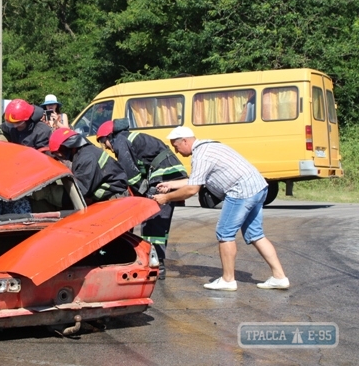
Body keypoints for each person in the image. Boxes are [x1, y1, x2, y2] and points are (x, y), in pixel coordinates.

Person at [153, 126, 289, 291]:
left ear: (185, 141)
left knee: (225, 233)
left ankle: (228, 280)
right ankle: (279, 277)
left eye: (176, 146)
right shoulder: (211, 146)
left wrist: (165, 198)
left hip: (241, 191)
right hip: (258, 187)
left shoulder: (201, 156)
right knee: (255, 234)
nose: (177, 151)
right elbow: (197, 180)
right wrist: (170, 184)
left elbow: (192, 189)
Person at [96, 119, 188, 279]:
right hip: (171, 174)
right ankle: (156, 263)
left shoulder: (120, 141)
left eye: (105, 143)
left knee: (153, 223)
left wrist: (142, 194)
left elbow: (131, 173)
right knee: (158, 223)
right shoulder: (129, 138)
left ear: (109, 137)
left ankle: (157, 265)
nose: (107, 148)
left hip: (164, 176)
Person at [49, 128, 129, 205]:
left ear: (65, 147)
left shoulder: (86, 158)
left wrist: (48, 194)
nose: (59, 158)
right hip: (110, 197)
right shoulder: (84, 152)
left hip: (115, 199)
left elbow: (78, 193)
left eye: (57, 154)